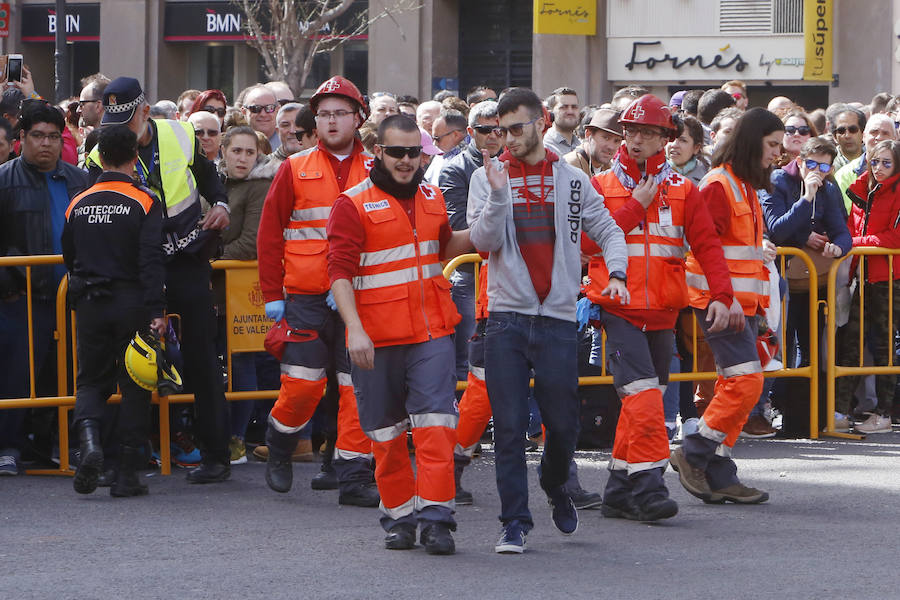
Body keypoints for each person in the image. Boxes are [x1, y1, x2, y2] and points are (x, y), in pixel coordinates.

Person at [467, 88, 628, 554]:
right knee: (510, 425)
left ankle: (555, 484)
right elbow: (482, 241)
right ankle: (514, 521)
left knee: (562, 426)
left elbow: (609, 231)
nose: (508, 139)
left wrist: (616, 272)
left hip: (557, 319)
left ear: (541, 123)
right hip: (505, 319)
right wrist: (498, 193)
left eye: (517, 129)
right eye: (501, 130)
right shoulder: (486, 177)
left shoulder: (573, 180)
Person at [327, 114, 473, 555]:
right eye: (397, 152)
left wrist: (490, 226)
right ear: (378, 151)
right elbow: (338, 273)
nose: (408, 161)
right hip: (376, 337)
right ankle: (399, 518)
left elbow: (446, 246)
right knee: (386, 435)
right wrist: (354, 330)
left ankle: (437, 519)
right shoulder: (352, 203)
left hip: (431, 332)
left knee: (436, 426)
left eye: (415, 152)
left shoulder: (432, 195)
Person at [585, 94, 732, 523]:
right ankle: (649, 488)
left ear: (665, 138)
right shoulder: (600, 186)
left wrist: (723, 295)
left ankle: (617, 490)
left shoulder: (685, 190)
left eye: (648, 133)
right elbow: (587, 245)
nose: (636, 140)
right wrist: (636, 207)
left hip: (665, 310)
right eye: (631, 131)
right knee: (646, 399)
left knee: (640, 404)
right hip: (619, 308)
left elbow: (707, 246)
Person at [85, 77, 232, 483]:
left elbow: (208, 178)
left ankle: (216, 456)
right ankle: (122, 461)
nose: (119, 127)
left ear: (145, 111)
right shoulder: (100, 150)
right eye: (112, 118)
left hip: (186, 258)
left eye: (127, 118)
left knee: (203, 356)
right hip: (135, 268)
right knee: (131, 360)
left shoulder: (180, 132)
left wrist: (220, 204)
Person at [255, 75, 378, 507]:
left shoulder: (378, 166)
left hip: (361, 298)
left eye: (339, 113)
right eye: (323, 114)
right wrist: (273, 293)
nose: (329, 121)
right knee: (303, 386)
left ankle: (353, 475)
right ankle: (281, 444)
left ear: (358, 118)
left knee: (356, 388)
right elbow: (269, 235)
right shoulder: (294, 166)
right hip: (306, 298)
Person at [670, 107, 783, 505]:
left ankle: (719, 473)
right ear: (752, 143)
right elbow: (703, 248)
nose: (777, 154)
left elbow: (733, 250)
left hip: (739, 305)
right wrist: (726, 298)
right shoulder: (721, 185)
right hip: (723, 304)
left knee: (735, 386)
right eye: (772, 145)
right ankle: (695, 451)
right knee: (745, 383)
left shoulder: (742, 185)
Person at [62, 124, 165, 497]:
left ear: (100, 157)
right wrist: (156, 309)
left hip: (89, 301)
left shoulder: (79, 201)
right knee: (135, 384)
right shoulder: (144, 200)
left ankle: (90, 446)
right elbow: (150, 259)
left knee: (90, 381)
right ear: (134, 158)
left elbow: (68, 255)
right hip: (131, 302)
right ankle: (127, 473)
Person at [0, 102, 88, 475]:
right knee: (17, 373)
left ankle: (54, 442)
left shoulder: (78, 180)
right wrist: (7, 286)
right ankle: (8, 446)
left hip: (72, 296)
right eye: (38, 136)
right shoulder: (4, 180)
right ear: (22, 139)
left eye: (54, 136)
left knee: (66, 372)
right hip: (22, 297)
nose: (46, 144)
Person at [761, 137, 851, 373]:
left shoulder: (828, 187)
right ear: (799, 161)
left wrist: (838, 247)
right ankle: (776, 401)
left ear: (830, 169)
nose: (816, 172)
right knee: (780, 343)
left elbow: (842, 232)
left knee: (810, 345)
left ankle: (805, 404)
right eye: (811, 165)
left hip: (812, 280)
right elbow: (777, 230)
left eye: (823, 168)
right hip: (779, 274)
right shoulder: (777, 179)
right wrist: (806, 199)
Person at [836, 139, 900, 434]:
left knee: (885, 347)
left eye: (887, 163)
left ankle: (885, 413)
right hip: (864, 277)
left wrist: (851, 245)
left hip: (892, 280)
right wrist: (847, 267)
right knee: (851, 342)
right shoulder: (865, 188)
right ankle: (839, 410)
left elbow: (893, 239)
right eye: (875, 162)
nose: (879, 168)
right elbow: (852, 227)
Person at [563, 108, 623, 177]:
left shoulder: (611, 169)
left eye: (617, 141)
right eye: (606, 138)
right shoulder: (569, 166)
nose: (611, 147)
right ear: (588, 134)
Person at [425, 109, 468, 184]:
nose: (435, 144)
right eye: (433, 139)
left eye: (438, 139)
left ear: (456, 135)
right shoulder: (439, 155)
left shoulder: (466, 161)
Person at [666, 115, 709, 184]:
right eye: (671, 138)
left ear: (696, 148)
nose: (674, 145)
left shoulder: (707, 179)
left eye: (683, 140)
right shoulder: (654, 174)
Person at [240, 85, 280, 152]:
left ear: (277, 110)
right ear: (244, 112)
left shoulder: (289, 143)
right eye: (256, 108)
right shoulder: (233, 143)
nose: (263, 114)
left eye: (269, 108)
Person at [543, 87, 581, 157]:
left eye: (574, 107)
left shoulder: (581, 146)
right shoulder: (544, 147)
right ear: (551, 113)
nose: (570, 111)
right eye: (564, 107)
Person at [829, 105, 866, 170]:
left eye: (853, 129)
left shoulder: (874, 162)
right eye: (841, 131)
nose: (847, 136)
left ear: (863, 133)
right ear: (834, 136)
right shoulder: (828, 163)